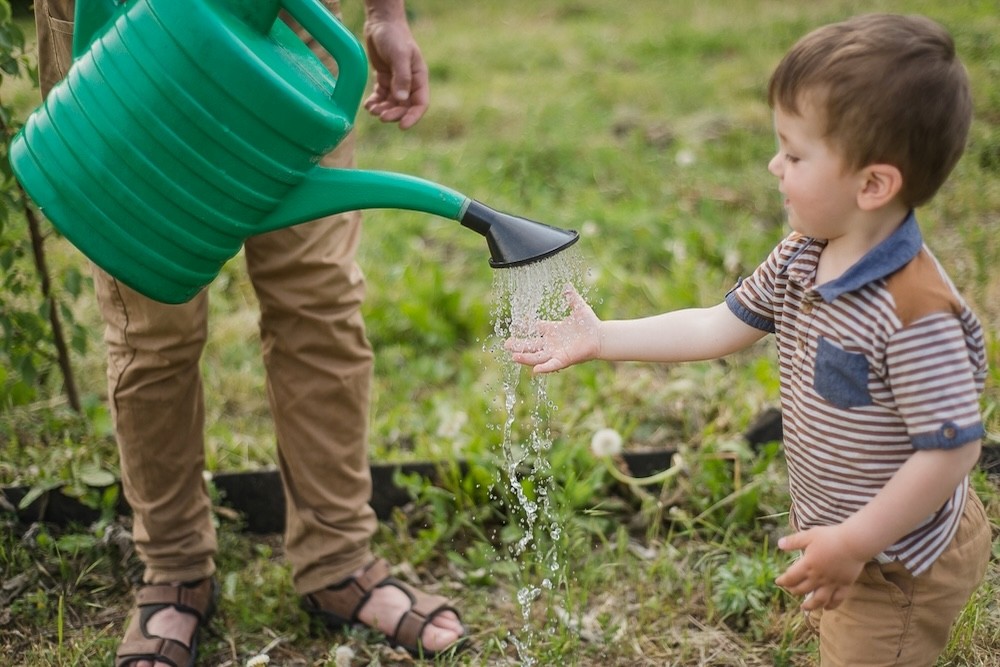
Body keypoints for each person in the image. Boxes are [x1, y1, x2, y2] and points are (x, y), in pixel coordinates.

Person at [507, 13, 990, 666]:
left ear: (872, 184)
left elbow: (952, 450)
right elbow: (717, 323)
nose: (773, 165)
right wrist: (603, 336)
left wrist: (853, 541)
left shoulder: (915, 311)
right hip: (850, 534)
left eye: (794, 154)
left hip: (897, 560)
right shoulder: (802, 255)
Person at [32, 0, 467, 664]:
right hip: (126, 26)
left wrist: (385, 10)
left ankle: (337, 560)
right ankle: (173, 569)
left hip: (287, 20)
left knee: (318, 301)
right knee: (153, 326)